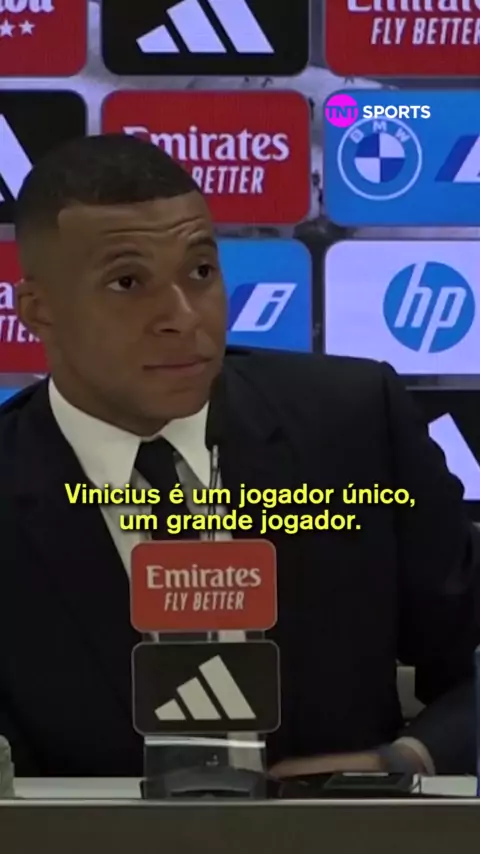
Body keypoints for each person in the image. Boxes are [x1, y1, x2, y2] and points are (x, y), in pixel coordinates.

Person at [0, 134, 478, 779]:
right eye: (128, 282)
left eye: (200, 271)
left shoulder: (353, 425)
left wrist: (405, 761)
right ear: (38, 311)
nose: (182, 317)